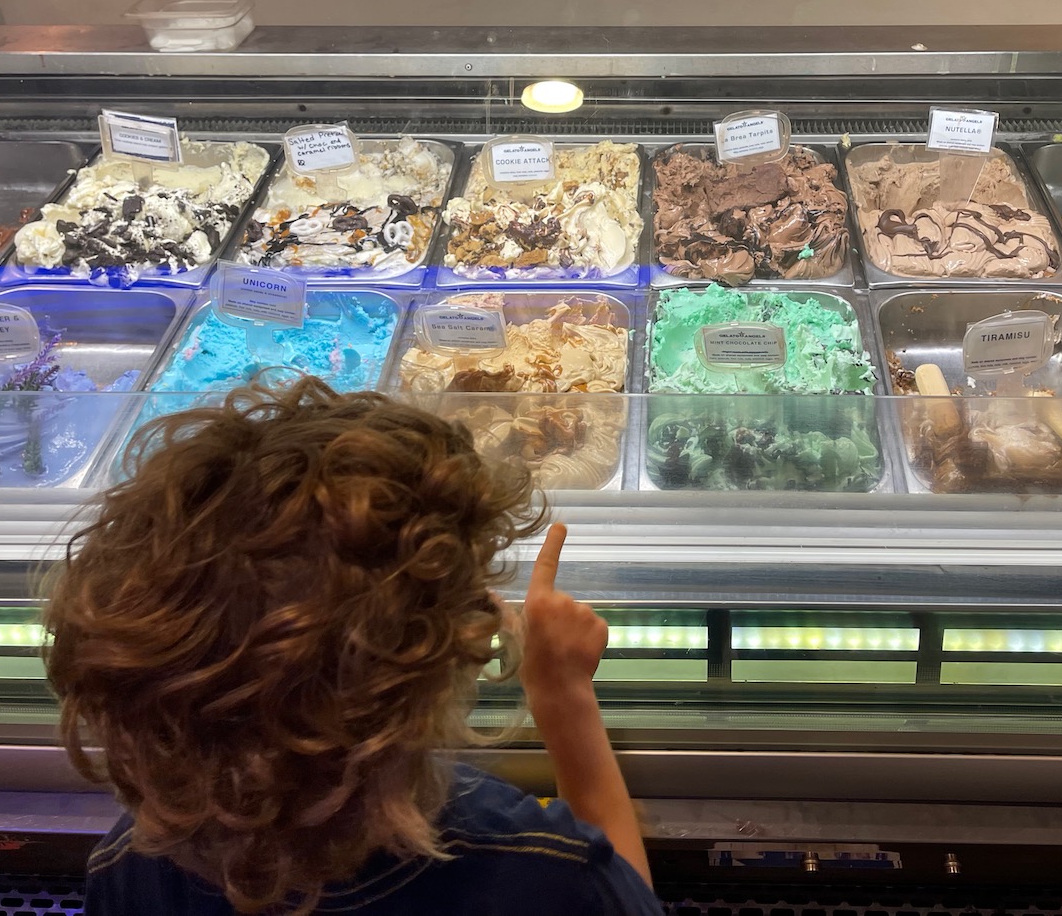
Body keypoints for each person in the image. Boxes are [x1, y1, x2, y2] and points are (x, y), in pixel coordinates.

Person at [44, 377, 661, 916]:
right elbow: (630, 894)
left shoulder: (128, 866)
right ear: (447, 663)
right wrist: (564, 697)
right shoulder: (541, 866)